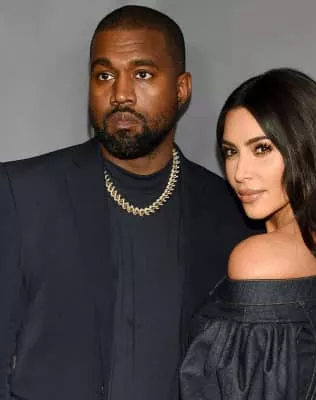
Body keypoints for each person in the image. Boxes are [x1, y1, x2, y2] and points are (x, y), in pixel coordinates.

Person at [0, 5, 259, 400]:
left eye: (142, 74)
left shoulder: (229, 212)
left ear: (182, 89)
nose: (120, 94)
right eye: (104, 75)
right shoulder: (23, 193)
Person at [180, 68, 316, 399]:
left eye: (262, 149)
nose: (240, 173)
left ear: (306, 149)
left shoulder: (257, 260)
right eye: (230, 151)